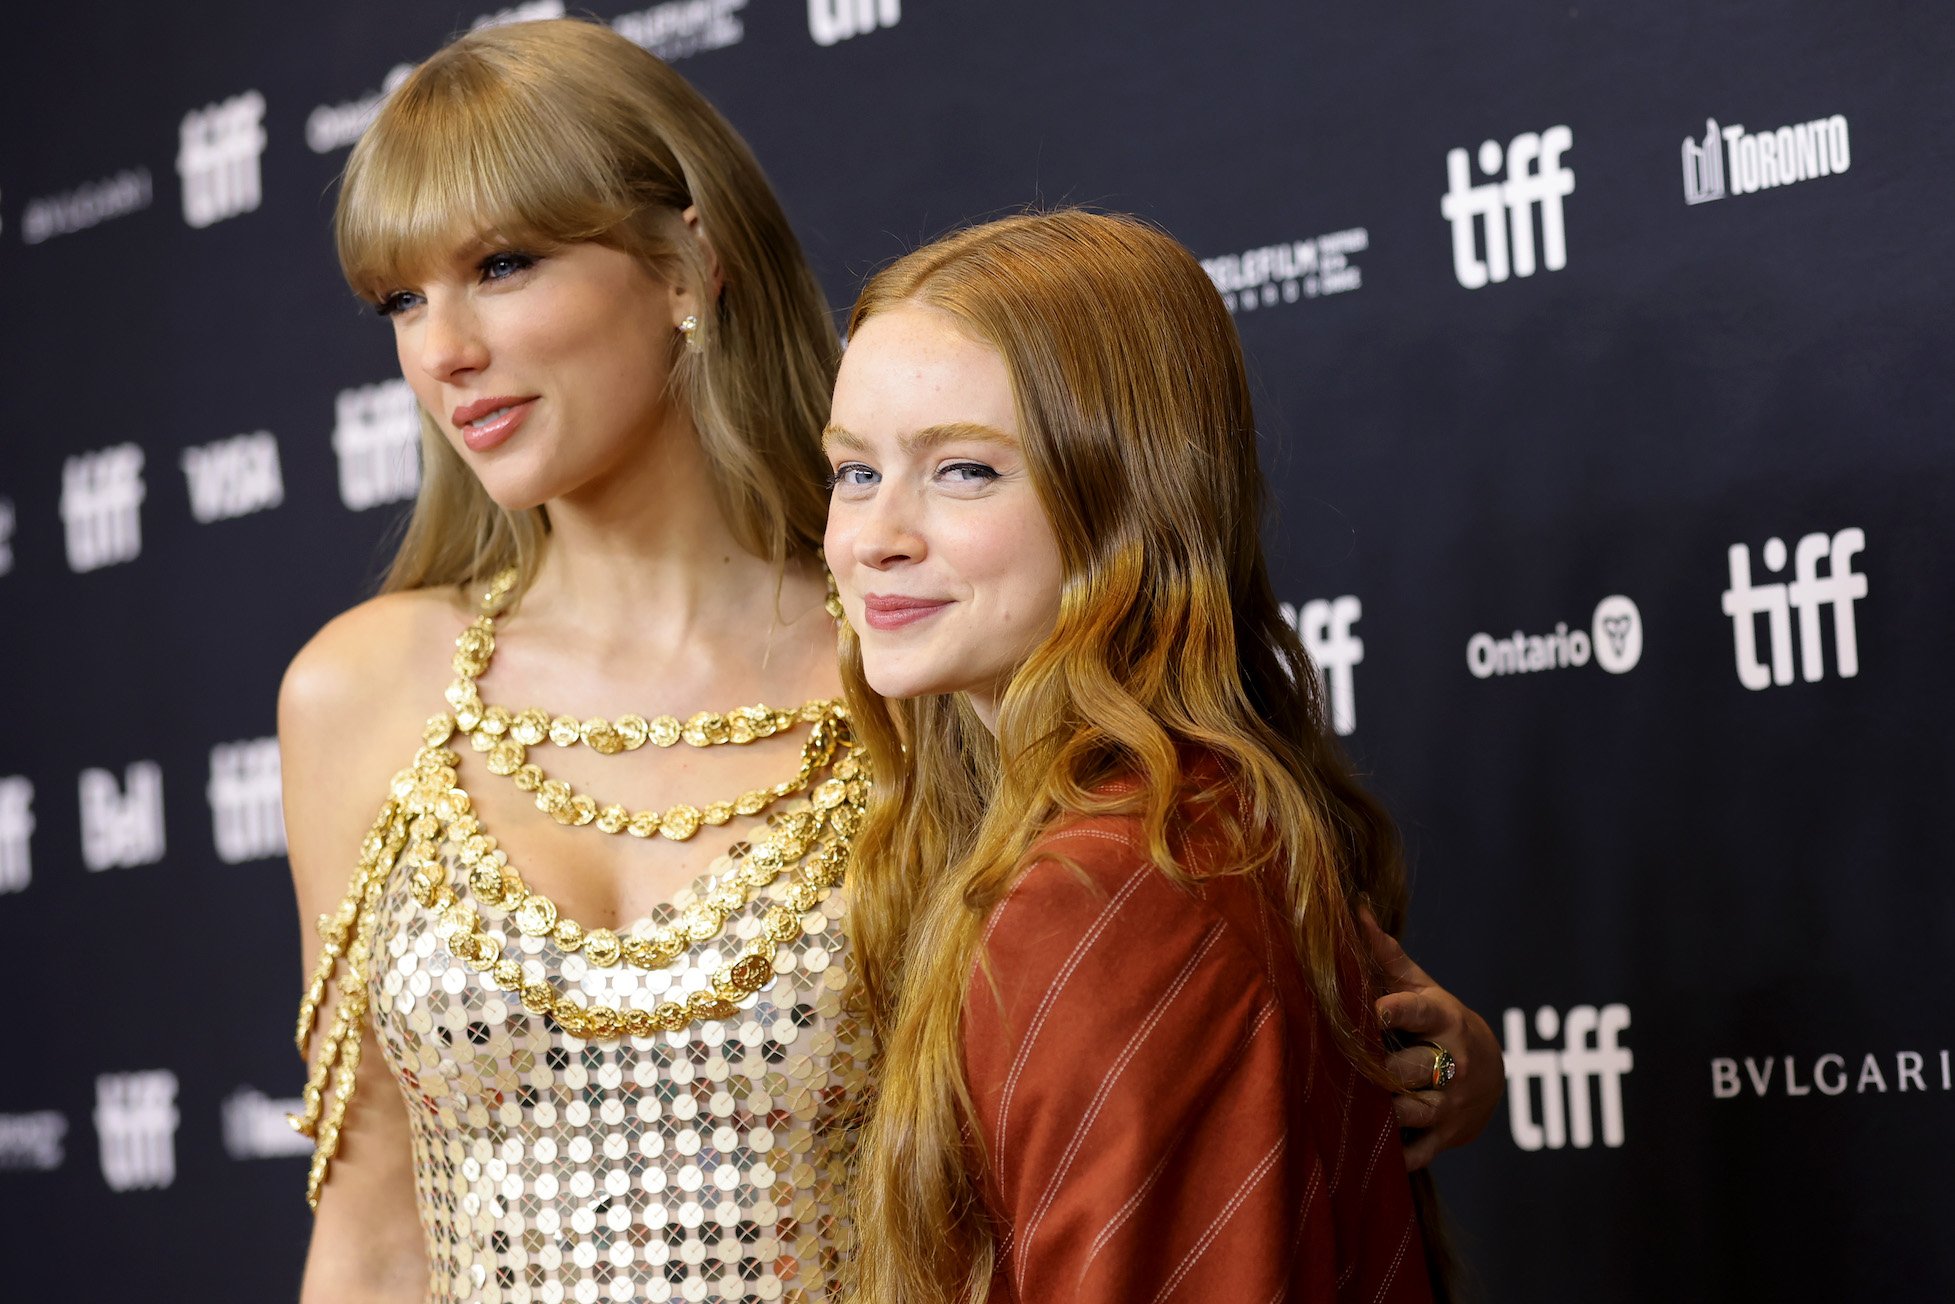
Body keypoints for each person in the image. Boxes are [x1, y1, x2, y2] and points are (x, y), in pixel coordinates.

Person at [283, 18, 1496, 1304]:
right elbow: (371, 1234)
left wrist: (1423, 1061)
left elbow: (1203, 991)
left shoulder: (925, 645)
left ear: (686, 261)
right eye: (400, 298)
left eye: (504, 263)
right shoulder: (359, 692)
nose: (441, 349)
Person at [825, 209, 1450, 1302]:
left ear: (1126, 496)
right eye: (854, 472)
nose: (875, 534)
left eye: (964, 471)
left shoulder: (1114, 888)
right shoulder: (1159, 830)